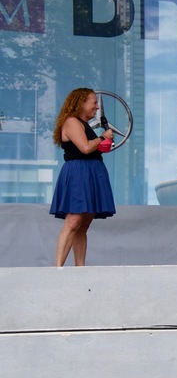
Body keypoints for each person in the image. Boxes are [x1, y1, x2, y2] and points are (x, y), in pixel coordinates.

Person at [49, 88, 116, 267]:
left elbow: (95, 148)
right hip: (79, 172)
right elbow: (85, 148)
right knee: (73, 221)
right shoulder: (71, 121)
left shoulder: (84, 125)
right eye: (93, 102)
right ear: (81, 103)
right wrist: (102, 137)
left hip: (92, 172)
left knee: (83, 225)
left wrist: (103, 141)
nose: (96, 107)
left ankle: (80, 268)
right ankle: (57, 269)